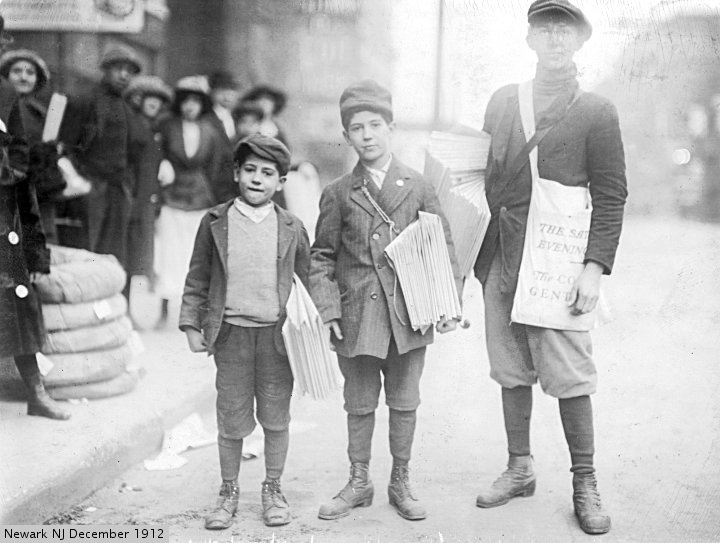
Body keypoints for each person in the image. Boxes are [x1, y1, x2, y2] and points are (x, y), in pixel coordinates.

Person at [472, 0, 627, 535]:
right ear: (530, 39)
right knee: (509, 366)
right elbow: (477, 174)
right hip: (504, 252)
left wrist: (594, 267)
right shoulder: (503, 101)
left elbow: (611, 194)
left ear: (580, 41)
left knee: (569, 372)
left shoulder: (596, 110)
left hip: (559, 258)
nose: (556, 38)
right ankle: (519, 468)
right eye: (546, 29)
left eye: (566, 30)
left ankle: (585, 481)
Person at [310, 80, 462, 522]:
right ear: (347, 137)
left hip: (409, 313)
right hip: (357, 315)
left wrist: (447, 304)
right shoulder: (338, 192)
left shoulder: (418, 186)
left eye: (375, 125)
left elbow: (442, 246)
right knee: (358, 403)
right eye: (357, 128)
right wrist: (329, 309)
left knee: (404, 401)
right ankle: (359, 482)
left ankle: (400, 481)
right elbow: (321, 257)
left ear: (391, 128)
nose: (367, 135)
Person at [179, 134, 310, 530]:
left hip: (276, 339)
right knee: (232, 416)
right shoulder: (214, 222)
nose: (257, 179)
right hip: (231, 336)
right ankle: (228, 490)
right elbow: (197, 277)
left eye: (267, 173)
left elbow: (307, 284)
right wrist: (191, 324)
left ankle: (273, 488)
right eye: (250, 170)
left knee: (276, 416)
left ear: (281, 182)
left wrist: (314, 330)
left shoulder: (292, 227)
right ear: (236, 173)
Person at [0, 101, 69, 421]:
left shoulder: (14, 174)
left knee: (22, 323)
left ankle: (36, 393)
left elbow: (30, 216)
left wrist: (37, 260)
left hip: (9, 260)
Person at [154, 75, 232, 328]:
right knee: (168, 254)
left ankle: (196, 313)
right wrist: (164, 165)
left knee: (196, 255)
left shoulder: (210, 131)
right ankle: (164, 310)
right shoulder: (168, 127)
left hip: (200, 198)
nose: (190, 107)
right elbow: (156, 155)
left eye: (195, 102)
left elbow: (217, 167)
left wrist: (213, 195)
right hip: (172, 196)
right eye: (186, 102)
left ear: (202, 105)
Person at [57, 44, 141, 264]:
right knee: (88, 248)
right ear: (106, 70)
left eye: (129, 71)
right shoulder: (85, 101)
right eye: (118, 69)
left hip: (118, 188)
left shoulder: (127, 108)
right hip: (91, 186)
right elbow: (66, 145)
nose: (124, 75)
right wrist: (81, 180)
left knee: (115, 252)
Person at [0, 49, 65, 244]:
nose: (23, 77)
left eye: (30, 72)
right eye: (17, 71)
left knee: (42, 237)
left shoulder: (43, 114)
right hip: (8, 183)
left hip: (38, 188)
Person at [122, 75, 173, 305]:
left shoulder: (155, 129)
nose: (153, 103)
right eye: (148, 98)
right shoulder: (132, 124)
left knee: (139, 257)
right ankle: (124, 306)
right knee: (127, 255)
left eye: (158, 99)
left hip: (148, 200)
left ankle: (131, 306)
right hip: (132, 198)